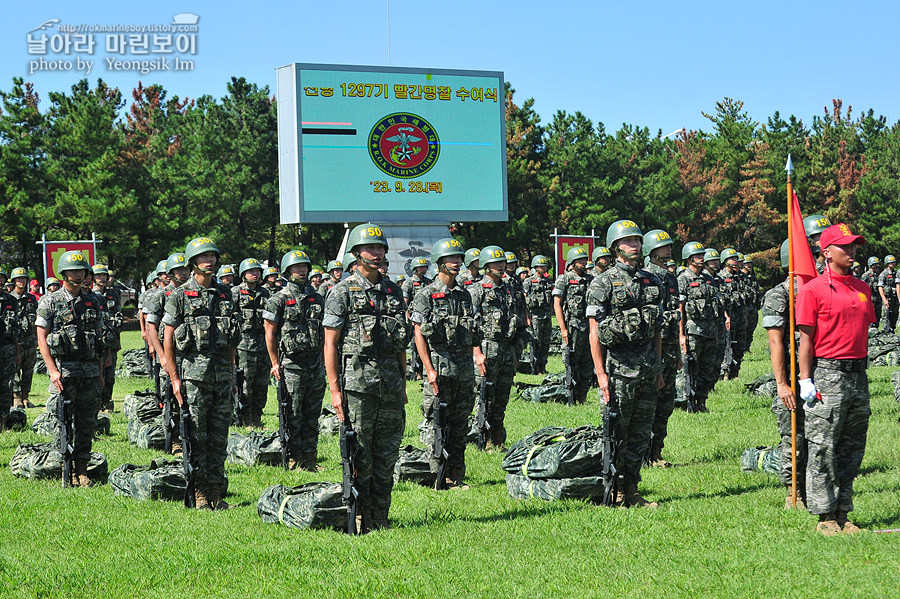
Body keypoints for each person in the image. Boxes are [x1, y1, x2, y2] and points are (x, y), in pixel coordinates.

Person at [323, 224, 409, 531]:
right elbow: (330, 344)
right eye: (371, 249)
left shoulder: (394, 290)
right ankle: (359, 515)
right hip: (358, 388)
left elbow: (401, 342)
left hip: (390, 386)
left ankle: (380, 516)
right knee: (361, 454)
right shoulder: (341, 292)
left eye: (381, 248)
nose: (377, 253)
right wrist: (334, 391)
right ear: (357, 254)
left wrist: (402, 382)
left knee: (387, 454)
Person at [796, 223, 875, 535]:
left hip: (859, 375)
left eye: (854, 245)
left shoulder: (862, 288)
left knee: (852, 448)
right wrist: (805, 380)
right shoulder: (813, 290)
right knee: (822, 447)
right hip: (828, 373)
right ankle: (825, 516)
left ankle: (844, 511)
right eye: (845, 246)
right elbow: (805, 341)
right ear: (826, 253)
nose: (852, 251)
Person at [587, 220, 663, 507]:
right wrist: (601, 374)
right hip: (619, 370)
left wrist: (657, 370)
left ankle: (631, 489)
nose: (635, 246)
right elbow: (594, 332)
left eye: (637, 241)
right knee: (617, 432)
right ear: (616, 247)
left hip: (647, 369)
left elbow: (657, 329)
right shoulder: (602, 282)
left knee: (641, 433)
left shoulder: (651, 281)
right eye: (628, 241)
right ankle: (615, 491)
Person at [163, 238, 240, 510]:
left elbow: (232, 340)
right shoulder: (180, 295)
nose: (210, 261)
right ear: (193, 262)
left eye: (213, 256)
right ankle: (198, 493)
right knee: (197, 437)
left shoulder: (226, 294)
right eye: (204, 257)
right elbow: (168, 338)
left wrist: (231, 375)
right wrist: (174, 379)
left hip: (221, 377)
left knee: (219, 437)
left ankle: (216, 492)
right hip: (193, 379)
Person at [410, 237, 479, 488]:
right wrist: (428, 369)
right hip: (438, 369)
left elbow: (471, 333)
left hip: (462, 369)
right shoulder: (426, 295)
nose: (457, 262)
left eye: (459, 258)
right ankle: (437, 474)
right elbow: (419, 334)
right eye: (451, 259)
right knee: (436, 422)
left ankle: (457, 475)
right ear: (439, 262)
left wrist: (473, 362)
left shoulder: (464, 295)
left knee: (460, 425)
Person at [34, 251, 105, 485]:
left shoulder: (92, 300)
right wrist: (52, 370)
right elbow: (42, 337)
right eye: (73, 271)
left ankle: (82, 469)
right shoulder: (50, 301)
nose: (78, 275)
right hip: (64, 371)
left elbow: (99, 339)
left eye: (82, 271)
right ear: (63, 273)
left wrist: (101, 373)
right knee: (62, 421)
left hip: (89, 372)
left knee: (86, 422)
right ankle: (65, 465)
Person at [264, 250, 326, 471]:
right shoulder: (278, 299)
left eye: (304, 267)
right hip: (291, 364)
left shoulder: (317, 297)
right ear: (288, 271)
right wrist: (274, 362)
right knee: (293, 412)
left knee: (312, 413)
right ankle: (293, 457)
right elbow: (269, 333)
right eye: (296, 267)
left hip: (315, 363)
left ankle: (310, 458)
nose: (302, 270)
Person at [469, 245, 526, 449]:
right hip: (487, 351)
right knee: (485, 397)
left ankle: (497, 439)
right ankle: (481, 438)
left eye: (502, 262)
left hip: (507, 351)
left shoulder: (510, 287)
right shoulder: (476, 290)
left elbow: (519, 318)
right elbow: (471, 324)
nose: (501, 266)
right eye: (496, 263)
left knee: (502, 397)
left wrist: (517, 351)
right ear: (485, 265)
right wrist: (477, 353)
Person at [763, 239, 806, 509]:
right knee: (793, 436)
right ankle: (794, 491)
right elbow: (775, 342)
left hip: (823, 372)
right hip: (793, 374)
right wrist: (782, 384)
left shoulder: (823, 289)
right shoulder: (779, 294)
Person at [641, 229, 680, 467]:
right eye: (664, 246)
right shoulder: (647, 276)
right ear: (652, 251)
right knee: (650, 403)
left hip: (670, 349)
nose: (669, 249)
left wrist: (677, 351)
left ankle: (657, 452)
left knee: (666, 404)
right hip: (653, 350)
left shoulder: (669, 276)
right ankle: (644, 453)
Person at [144, 252, 190, 452]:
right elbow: (151, 326)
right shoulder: (161, 295)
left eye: (186, 268)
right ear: (170, 273)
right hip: (169, 354)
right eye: (179, 269)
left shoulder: (193, 293)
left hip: (189, 355)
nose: (183, 272)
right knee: (170, 398)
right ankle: (174, 440)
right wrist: (161, 355)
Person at [678, 241, 720, 413]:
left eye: (702, 255)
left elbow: (716, 305)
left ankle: (701, 402)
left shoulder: (708, 279)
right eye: (697, 256)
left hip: (710, 331)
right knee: (691, 368)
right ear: (689, 258)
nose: (701, 258)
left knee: (707, 369)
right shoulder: (683, 279)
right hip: (692, 332)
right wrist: (681, 335)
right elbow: (680, 309)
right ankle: (688, 403)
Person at [553, 246, 594, 404]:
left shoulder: (590, 280)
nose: (583, 262)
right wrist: (563, 329)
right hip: (573, 326)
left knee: (587, 363)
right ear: (572, 262)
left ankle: (582, 397)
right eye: (580, 260)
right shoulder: (564, 279)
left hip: (589, 327)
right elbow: (557, 304)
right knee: (572, 362)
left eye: (584, 259)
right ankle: (571, 396)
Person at [233, 258, 270, 428]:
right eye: (251, 271)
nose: (255, 274)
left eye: (257, 271)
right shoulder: (235, 293)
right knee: (245, 383)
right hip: (243, 346)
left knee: (261, 384)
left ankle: (257, 417)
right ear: (243, 274)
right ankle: (245, 417)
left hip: (263, 345)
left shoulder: (266, 293)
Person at [92, 263, 122, 412]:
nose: (102, 278)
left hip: (111, 340)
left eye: (104, 275)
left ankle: (106, 402)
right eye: (98, 275)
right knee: (98, 374)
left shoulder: (113, 294)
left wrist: (118, 340)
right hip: (96, 341)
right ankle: (96, 404)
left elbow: (117, 319)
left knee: (110, 375)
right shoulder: (90, 295)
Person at [9, 267, 38, 409]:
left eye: (24, 279)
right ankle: (16, 397)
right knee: (15, 370)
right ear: (14, 281)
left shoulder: (31, 298)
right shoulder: (10, 299)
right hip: (15, 340)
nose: (21, 281)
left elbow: (37, 319)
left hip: (30, 340)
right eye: (19, 279)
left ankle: (26, 396)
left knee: (28, 369)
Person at [718, 249, 747, 380]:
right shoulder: (721, 277)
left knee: (740, 344)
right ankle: (725, 372)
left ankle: (736, 372)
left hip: (740, 316)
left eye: (735, 258)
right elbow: (720, 300)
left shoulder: (739, 276)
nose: (735, 260)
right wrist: (725, 316)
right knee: (727, 344)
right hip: (728, 315)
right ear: (725, 261)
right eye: (731, 258)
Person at [522, 255, 554, 375]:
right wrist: (527, 318)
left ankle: (543, 366)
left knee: (545, 343)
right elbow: (524, 300)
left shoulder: (547, 281)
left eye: (545, 266)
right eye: (541, 266)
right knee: (535, 342)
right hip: (535, 316)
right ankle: (534, 368)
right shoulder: (529, 281)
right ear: (535, 267)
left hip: (547, 316)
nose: (544, 268)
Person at [878, 254, 897, 332]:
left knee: (895, 315)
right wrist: (884, 299)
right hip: (887, 298)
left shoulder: (896, 274)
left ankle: (892, 330)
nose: (894, 264)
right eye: (892, 262)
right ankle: (886, 332)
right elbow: (880, 287)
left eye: (894, 262)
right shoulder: (884, 274)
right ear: (887, 263)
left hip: (895, 299)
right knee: (886, 315)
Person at [860, 257, 882, 324]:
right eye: (875, 264)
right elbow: (861, 287)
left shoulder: (878, 274)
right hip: (870, 298)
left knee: (878, 314)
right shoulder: (866, 275)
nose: (877, 266)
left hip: (877, 297)